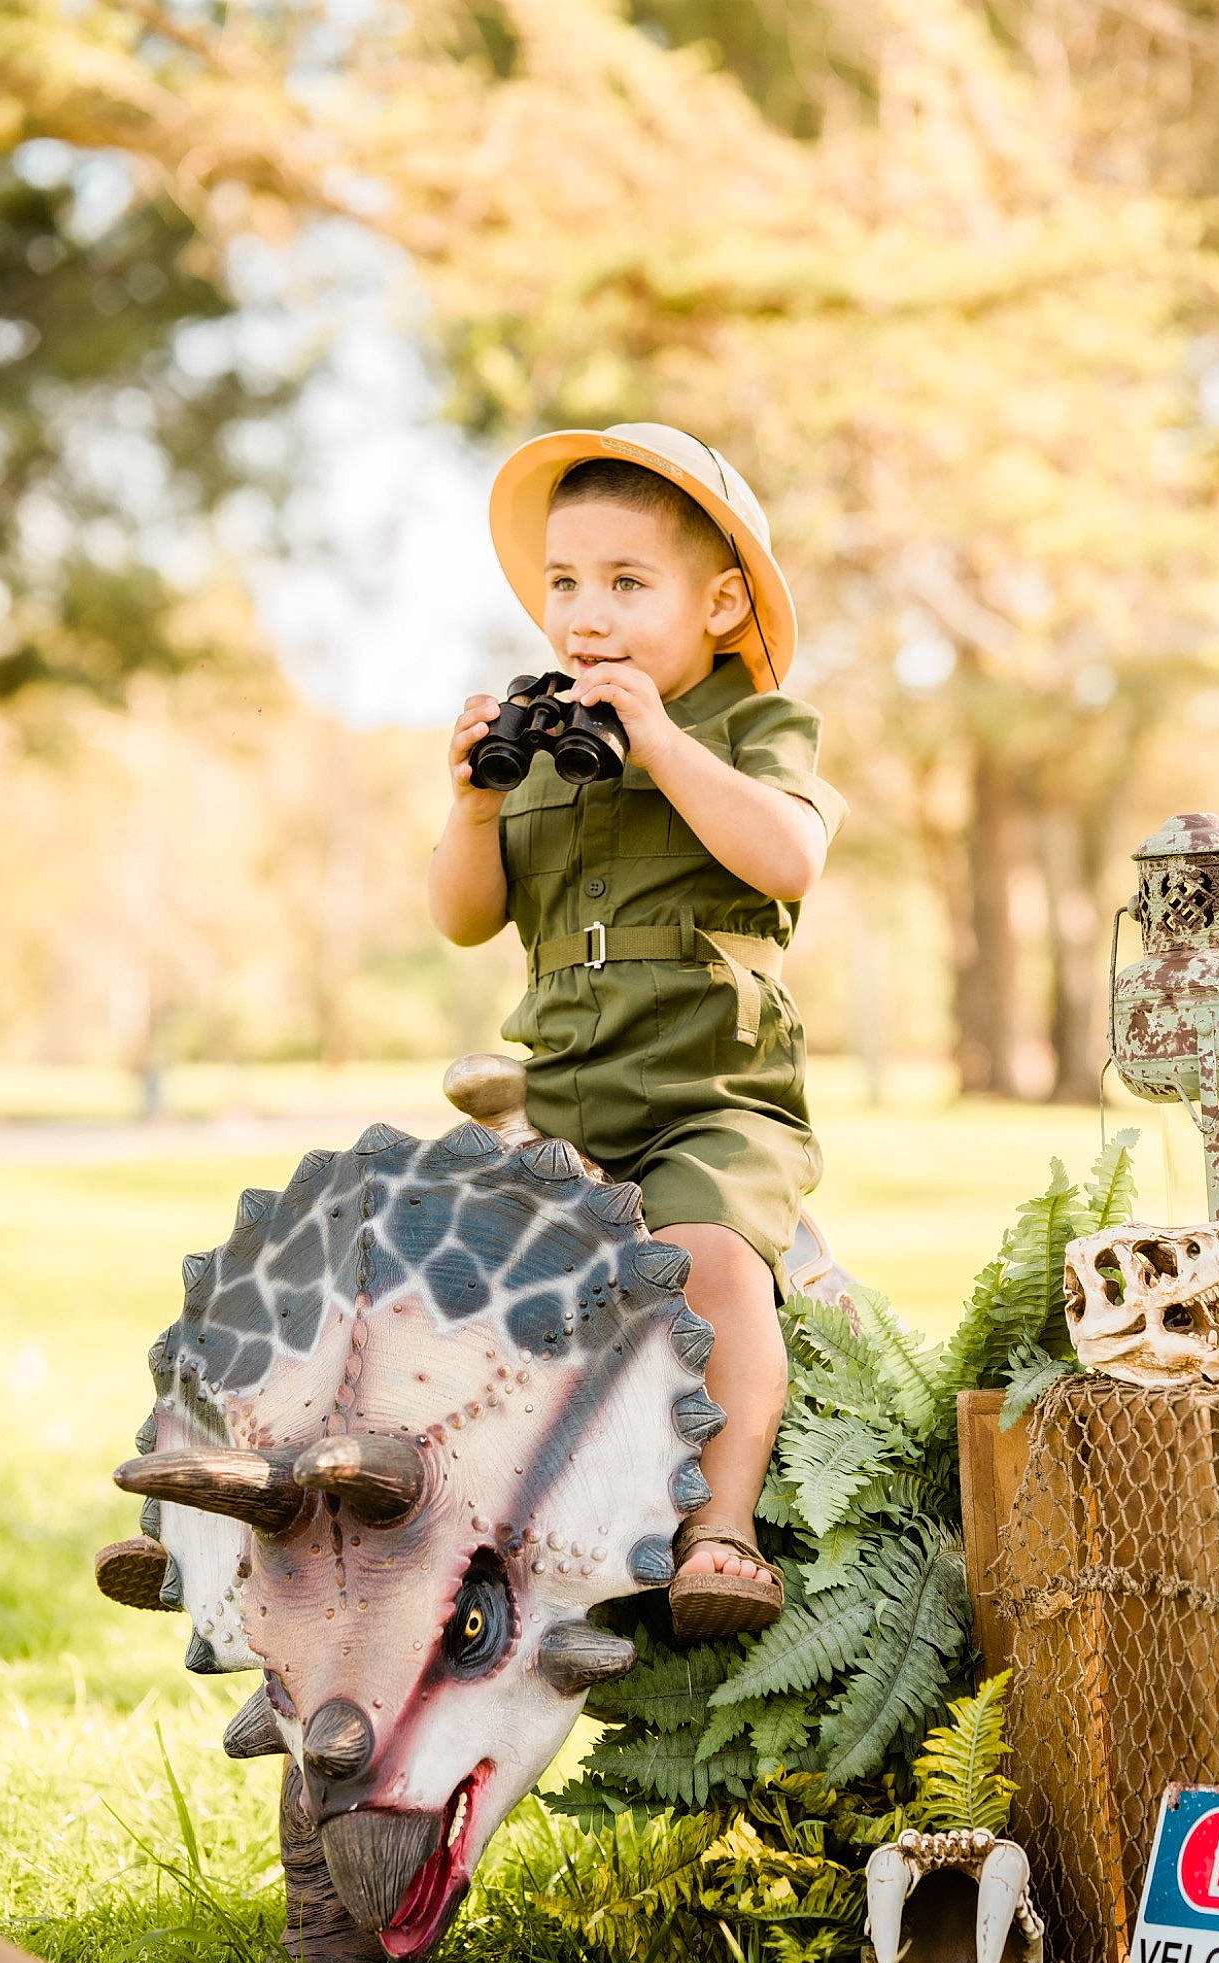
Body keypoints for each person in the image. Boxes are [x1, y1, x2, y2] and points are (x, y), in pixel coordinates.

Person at [428, 422, 846, 1640]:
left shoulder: (754, 727)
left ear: (719, 603)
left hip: (713, 1093)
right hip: (560, 1090)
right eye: (563, 582)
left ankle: (720, 1531)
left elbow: (790, 852)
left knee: (712, 1260)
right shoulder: (545, 740)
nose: (584, 613)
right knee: (428, 1268)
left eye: (625, 581)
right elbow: (463, 916)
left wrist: (659, 738)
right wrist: (469, 803)